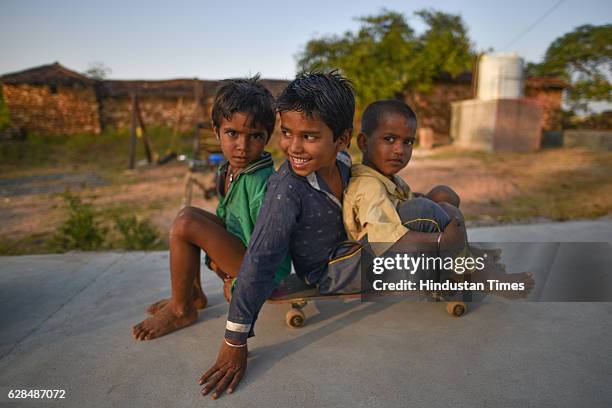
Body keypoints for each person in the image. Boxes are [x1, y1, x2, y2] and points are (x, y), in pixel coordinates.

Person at [197, 73, 468, 399]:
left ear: (342, 140)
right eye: (286, 133)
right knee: (423, 212)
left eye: (309, 136)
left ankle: (451, 252)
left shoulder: (340, 161)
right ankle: (452, 257)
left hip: (357, 247)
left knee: (434, 202)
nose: (293, 147)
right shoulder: (287, 189)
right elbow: (260, 257)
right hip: (332, 269)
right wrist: (234, 339)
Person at [131, 76, 290, 341]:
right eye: (232, 133)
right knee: (188, 216)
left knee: (187, 224)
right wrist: (215, 254)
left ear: (267, 137)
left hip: (261, 267)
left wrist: (237, 284)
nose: (242, 145)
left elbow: (268, 251)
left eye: (255, 136)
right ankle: (190, 294)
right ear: (216, 131)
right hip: (242, 249)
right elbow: (226, 219)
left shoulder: (263, 183)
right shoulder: (229, 169)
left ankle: (182, 310)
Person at [343, 99, 463, 257]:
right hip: (372, 259)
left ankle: (463, 256)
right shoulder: (367, 186)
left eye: (407, 142)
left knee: (443, 195)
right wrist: (441, 240)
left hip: (396, 248)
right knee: (423, 208)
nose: (399, 150)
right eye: (389, 139)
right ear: (364, 143)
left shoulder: (392, 180)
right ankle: (463, 268)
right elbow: (385, 241)